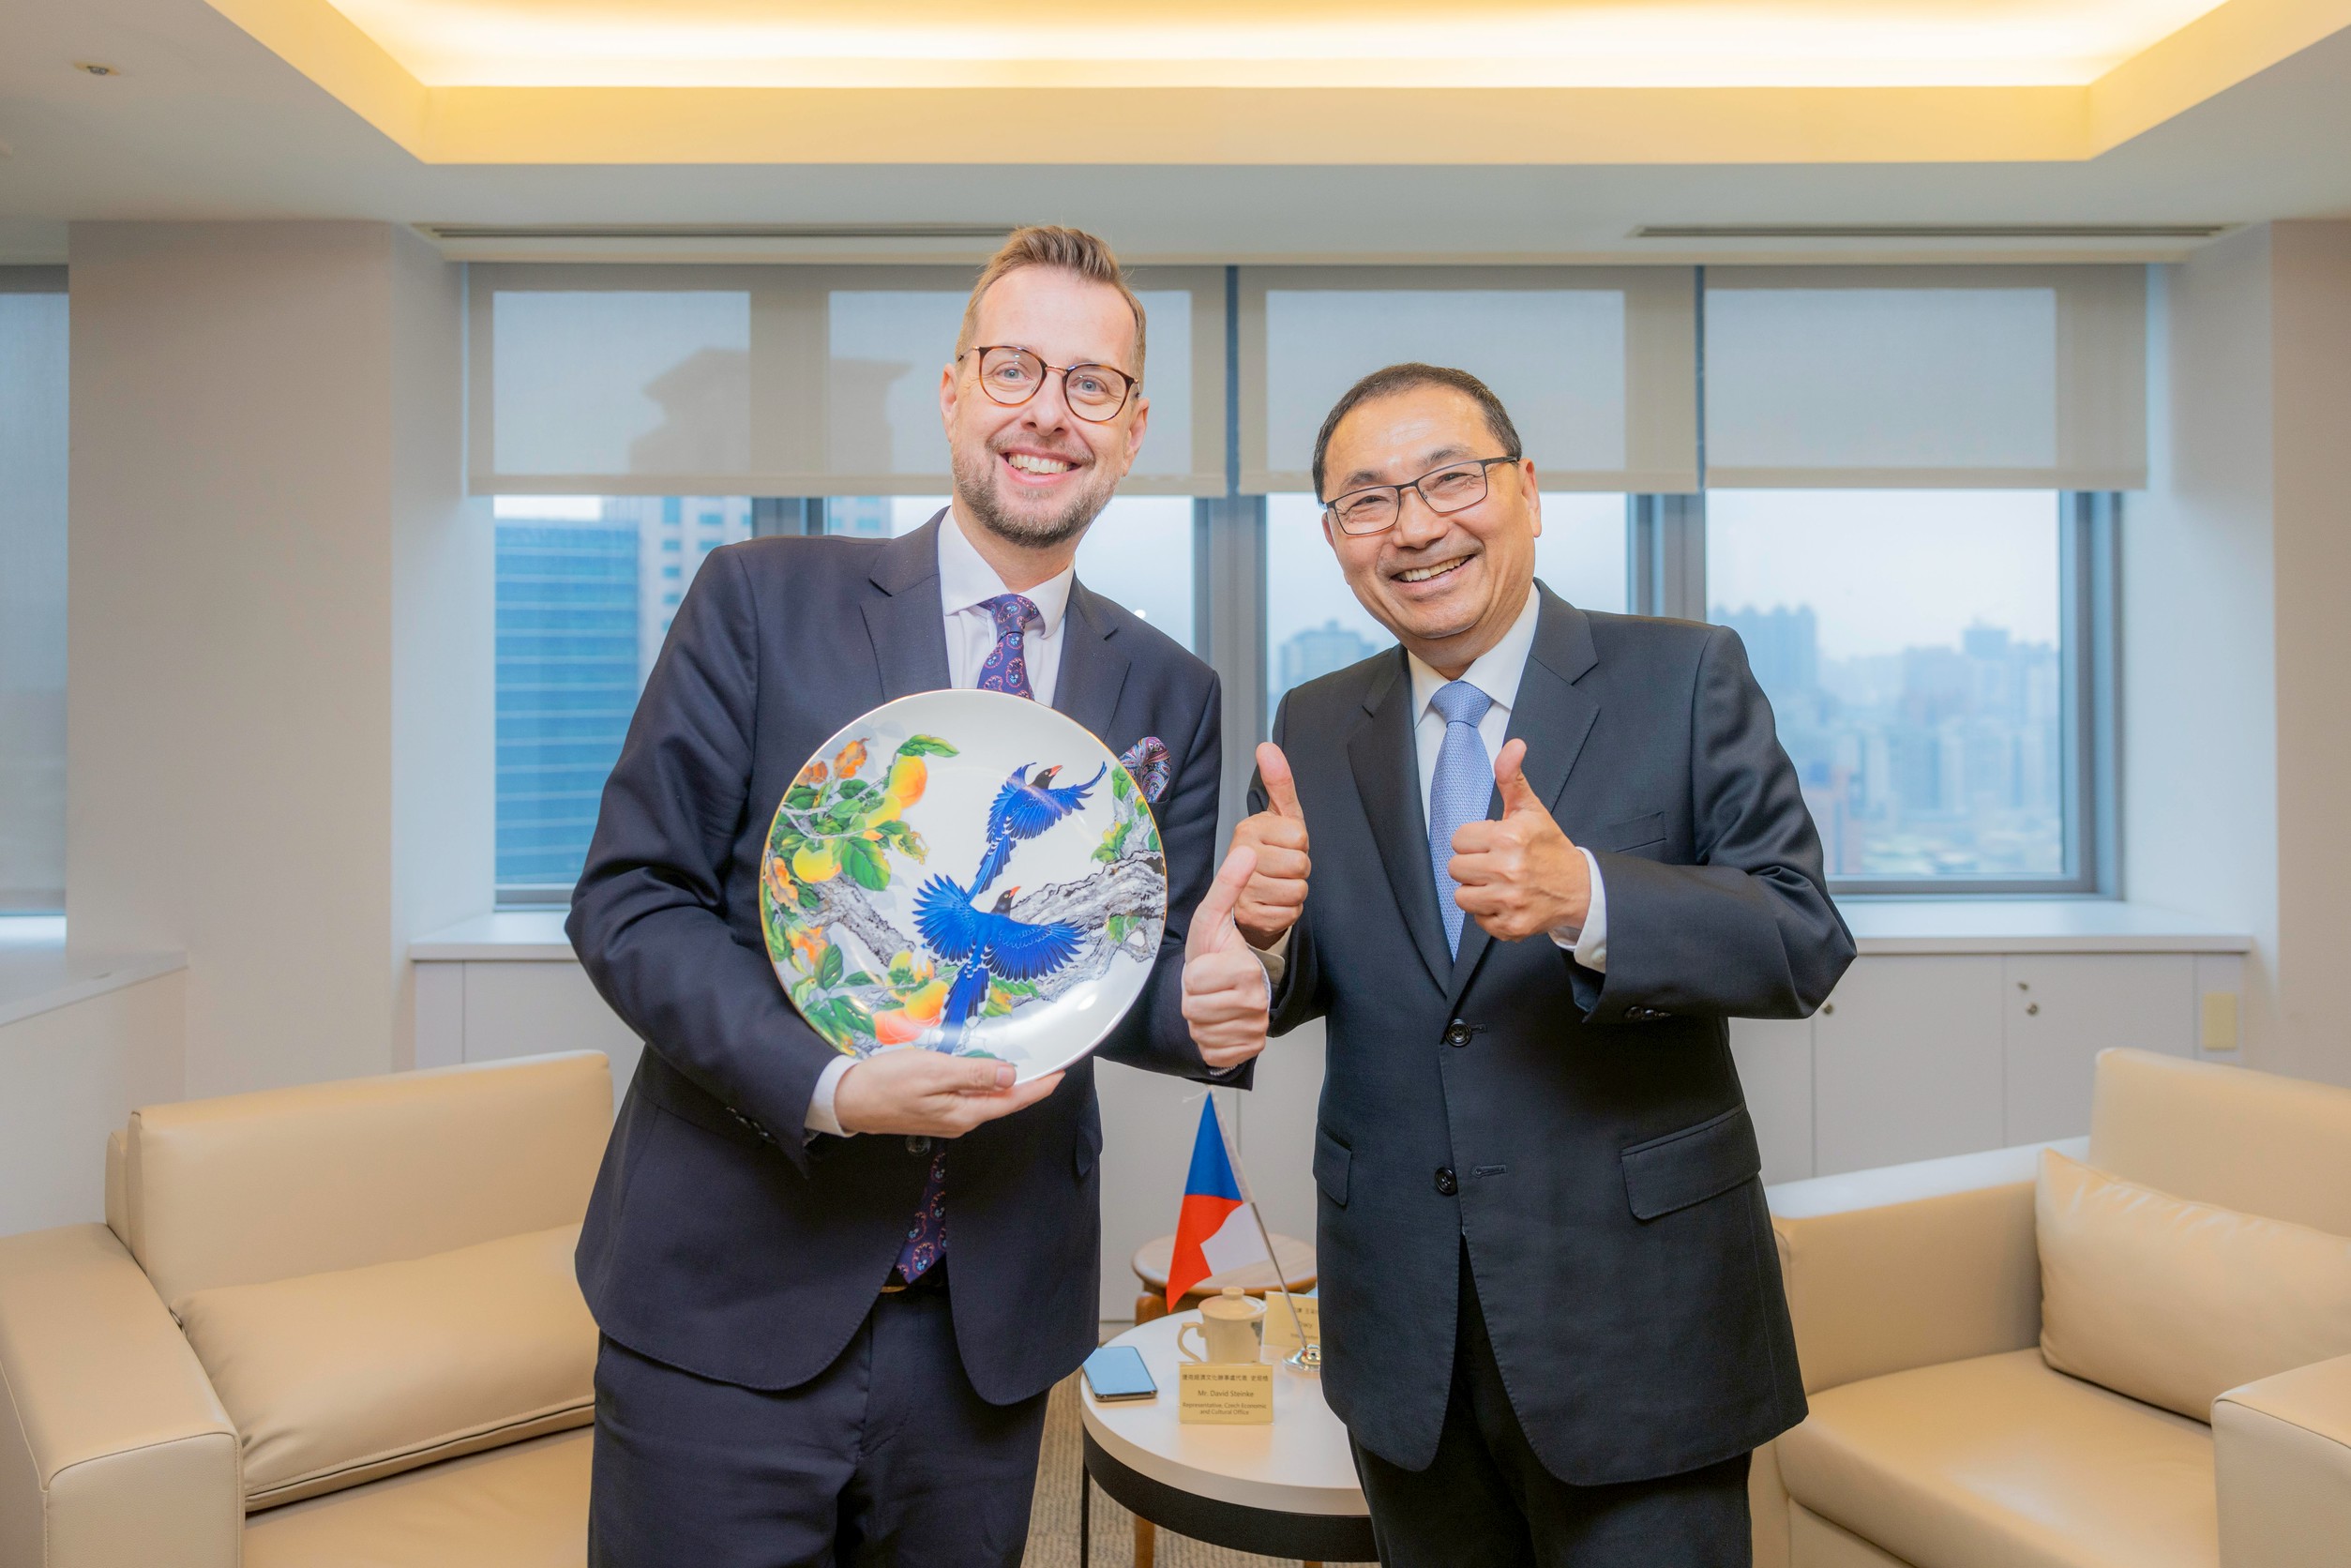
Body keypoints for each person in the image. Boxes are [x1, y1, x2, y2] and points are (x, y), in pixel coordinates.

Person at [567, 225, 1263, 1567]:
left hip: (981, 1332)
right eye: (1013, 369)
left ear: (1130, 432)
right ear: (952, 394)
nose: (1047, 412)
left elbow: (1130, 974)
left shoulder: (1170, 688)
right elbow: (630, 901)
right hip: (725, 1303)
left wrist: (1223, 994)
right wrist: (831, 1085)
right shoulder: (760, 600)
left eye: (1090, 384)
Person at [1185, 363, 1855, 1566]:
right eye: (1366, 500)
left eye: (1449, 479)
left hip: (1640, 1331)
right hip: (1402, 1330)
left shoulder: (1684, 674)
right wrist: (1263, 943)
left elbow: (1802, 936)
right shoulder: (1313, 722)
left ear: (1527, 491)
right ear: (1335, 537)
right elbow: (1305, 969)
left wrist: (1587, 896)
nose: (1413, 527)